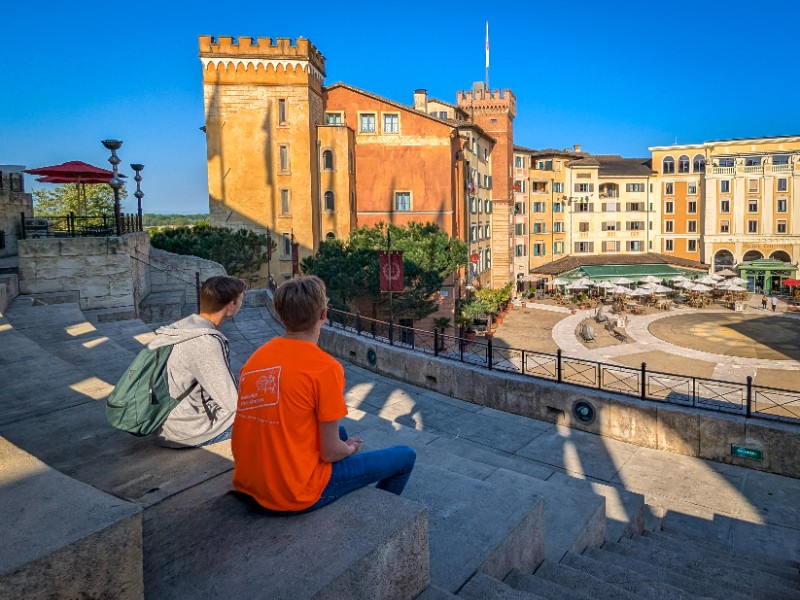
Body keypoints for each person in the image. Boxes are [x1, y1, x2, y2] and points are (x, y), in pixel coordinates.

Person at [232, 275, 416, 513]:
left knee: (341, 432)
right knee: (405, 456)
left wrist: (341, 445)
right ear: (323, 314)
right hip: (291, 494)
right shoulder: (325, 368)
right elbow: (330, 452)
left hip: (249, 483)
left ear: (280, 314)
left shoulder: (257, 357)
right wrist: (348, 449)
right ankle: (376, 516)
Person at [148, 275, 246, 448]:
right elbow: (233, 403)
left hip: (165, 424)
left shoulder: (177, 329)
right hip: (187, 432)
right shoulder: (205, 343)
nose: (241, 304)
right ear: (231, 305)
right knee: (267, 418)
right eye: (240, 300)